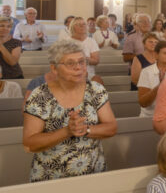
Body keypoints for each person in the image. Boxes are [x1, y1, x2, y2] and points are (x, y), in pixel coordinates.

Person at [23, 39, 117, 182]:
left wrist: (85, 129)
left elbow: (111, 127)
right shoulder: (40, 95)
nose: (78, 67)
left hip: (93, 172)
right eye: (70, 63)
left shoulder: (95, 90)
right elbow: (30, 143)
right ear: (54, 68)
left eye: (82, 62)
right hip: (50, 176)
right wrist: (67, 131)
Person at [137, 41, 166, 118]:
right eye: (165, 53)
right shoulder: (146, 72)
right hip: (151, 116)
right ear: (156, 55)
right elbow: (143, 103)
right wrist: (159, 87)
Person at [69, 17, 101, 83]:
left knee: (98, 80)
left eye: (84, 24)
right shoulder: (66, 41)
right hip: (70, 73)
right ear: (72, 27)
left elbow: (96, 61)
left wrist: (84, 59)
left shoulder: (91, 41)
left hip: (88, 73)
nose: (82, 26)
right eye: (78, 24)